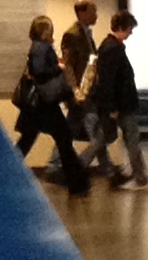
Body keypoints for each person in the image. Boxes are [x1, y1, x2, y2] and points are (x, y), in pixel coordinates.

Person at [10, 16, 90, 192]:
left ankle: (5, 173)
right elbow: (39, 71)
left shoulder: (37, 47)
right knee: (63, 139)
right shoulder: (42, 47)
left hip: (38, 106)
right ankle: (77, 182)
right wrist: (58, 68)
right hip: (44, 106)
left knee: (29, 141)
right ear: (45, 30)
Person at [87, 11, 148, 189]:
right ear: (122, 27)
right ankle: (140, 177)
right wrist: (112, 108)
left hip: (117, 105)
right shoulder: (113, 49)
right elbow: (109, 81)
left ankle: (77, 169)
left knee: (102, 139)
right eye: (130, 28)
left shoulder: (108, 46)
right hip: (121, 106)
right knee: (130, 139)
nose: (131, 32)